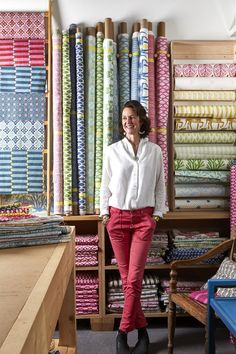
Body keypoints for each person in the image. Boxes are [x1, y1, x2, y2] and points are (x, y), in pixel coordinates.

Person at [100, 100, 167, 354]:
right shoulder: (112, 151)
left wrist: (157, 215)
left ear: (141, 120)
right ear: (122, 122)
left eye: (133, 117)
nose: (129, 121)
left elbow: (160, 185)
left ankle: (122, 331)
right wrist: (104, 214)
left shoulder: (155, 152)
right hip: (116, 220)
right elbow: (104, 185)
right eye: (125, 117)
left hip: (143, 220)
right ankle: (142, 332)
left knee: (135, 278)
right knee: (129, 280)